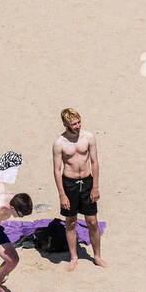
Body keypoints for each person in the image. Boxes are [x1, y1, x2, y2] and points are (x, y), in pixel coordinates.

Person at [52, 107, 106, 269]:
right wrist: (62, 195)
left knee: (92, 221)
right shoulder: (59, 143)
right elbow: (57, 169)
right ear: (65, 125)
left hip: (87, 182)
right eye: (74, 124)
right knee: (71, 221)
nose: (77, 126)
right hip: (69, 184)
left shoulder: (88, 137)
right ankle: (74, 257)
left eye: (79, 122)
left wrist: (95, 186)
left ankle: (97, 256)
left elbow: (95, 162)